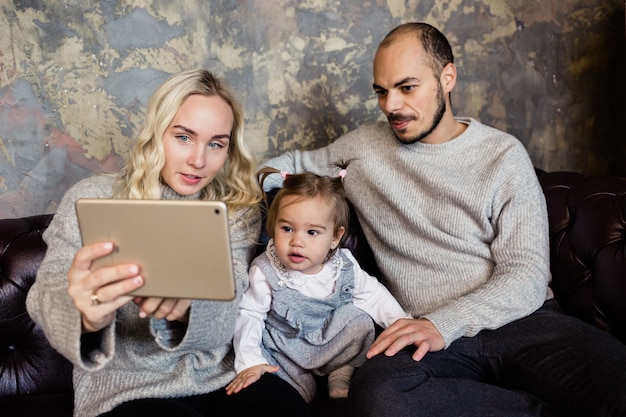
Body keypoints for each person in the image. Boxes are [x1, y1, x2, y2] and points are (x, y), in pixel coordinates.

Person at [258, 22, 626, 417]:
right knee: (379, 398)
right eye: (381, 92)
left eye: (407, 87)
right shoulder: (363, 147)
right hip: (423, 337)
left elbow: (526, 274)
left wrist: (445, 322)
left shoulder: (502, 155)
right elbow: (284, 166)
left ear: (446, 78)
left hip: (523, 321)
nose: (391, 106)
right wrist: (279, 192)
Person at [26, 69, 311, 417]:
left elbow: (230, 301)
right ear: (156, 132)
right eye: (184, 137)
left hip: (219, 379)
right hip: (123, 391)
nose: (199, 160)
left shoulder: (235, 208)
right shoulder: (92, 196)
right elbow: (46, 293)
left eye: (216, 144)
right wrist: (87, 316)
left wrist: (190, 306)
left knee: (285, 408)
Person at [225, 163, 411, 403]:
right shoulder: (265, 270)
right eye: (287, 229)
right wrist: (250, 362)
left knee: (359, 322)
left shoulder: (343, 264)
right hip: (286, 346)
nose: (297, 242)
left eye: (312, 232)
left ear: (335, 237)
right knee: (277, 368)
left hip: (329, 337)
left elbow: (373, 295)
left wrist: (401, 323)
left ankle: (341, 372)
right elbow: (249, 314)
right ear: (273, 228)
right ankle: (301, 390)